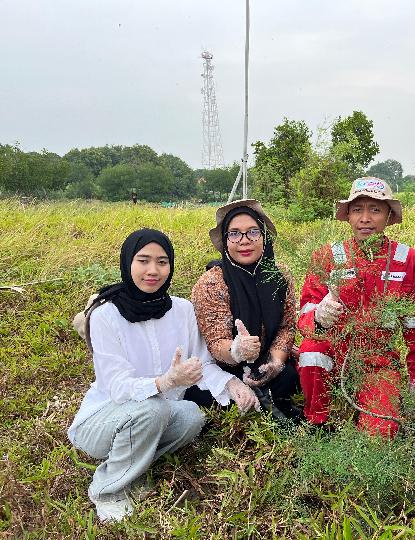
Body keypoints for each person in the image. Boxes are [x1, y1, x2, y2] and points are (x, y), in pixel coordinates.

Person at [68, 229, 247, 522]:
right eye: (143, 261)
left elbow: (200, 364)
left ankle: (132, 465)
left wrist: (232, 383)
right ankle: (108, 490)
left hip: (156, 415)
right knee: (152, 408)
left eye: (162, 262)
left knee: (192, 415)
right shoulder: (105, 315)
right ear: (128, 263)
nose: (153, 271)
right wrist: (166, 382)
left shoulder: (182, 310)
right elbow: (116, 385)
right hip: (102, 423)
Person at [297, 177, 415, 437]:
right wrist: (319, 316)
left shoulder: (407, 259)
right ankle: (318, 421)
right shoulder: (327, 256)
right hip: (335, 354)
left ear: (389, 215)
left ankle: (373, 410)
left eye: (375, 209)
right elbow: (304, 316)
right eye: (358, 209)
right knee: (311, 350)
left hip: (379, 363)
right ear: (348, 216)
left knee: (381, 434)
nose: (365, 218)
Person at [189, 200, 301, 420]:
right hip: (224, 367)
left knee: (287, 376)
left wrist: (276, 362)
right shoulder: (212, 283)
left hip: (266, 359)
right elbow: (215, 341)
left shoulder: (279, 275)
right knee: (209, 397)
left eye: (252, 232)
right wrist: (236, 350)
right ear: (225, 241)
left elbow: (286, 327)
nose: (244, 241)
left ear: (264, 236)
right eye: (234, 234)